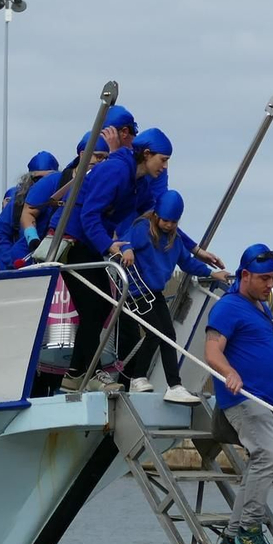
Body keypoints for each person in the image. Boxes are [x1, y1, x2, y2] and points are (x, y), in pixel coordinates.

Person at [58, 124, 175, 392]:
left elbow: (150, 217)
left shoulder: (140, 182)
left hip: (92, 246)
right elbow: (89, 215)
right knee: (95, 307)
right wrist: (111, 246)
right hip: (73, 243)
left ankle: (77, 374)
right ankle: (85, 374)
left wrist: (191, 248)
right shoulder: (115, 170)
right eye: (163, 160)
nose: (165, 167)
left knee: (100, 308)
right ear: (147, 154)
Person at [204, 244, 273, 544]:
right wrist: (230, 373)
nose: (270, 284)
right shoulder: (228, 307)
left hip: (266, 402)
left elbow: (267, 346)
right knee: (269, 455)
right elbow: (212, 352)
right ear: (245, 275)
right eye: (264, 278)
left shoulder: (262, 309)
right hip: (244, 400)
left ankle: (232, 538)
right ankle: (249, 528)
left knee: (262, 459)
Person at [118, 189, 226, 399]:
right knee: (155, 332)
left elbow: (187, 262)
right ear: (157, 215)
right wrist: (128, 249)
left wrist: (213, 273)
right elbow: (124, 237)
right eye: (165, 220)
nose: (169, 225)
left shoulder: (174, 240)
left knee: (169, 336)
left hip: (154, 292)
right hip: (136, 291)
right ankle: (137, 378)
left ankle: (174, 385)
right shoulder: (143, 228)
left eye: (173, 222)